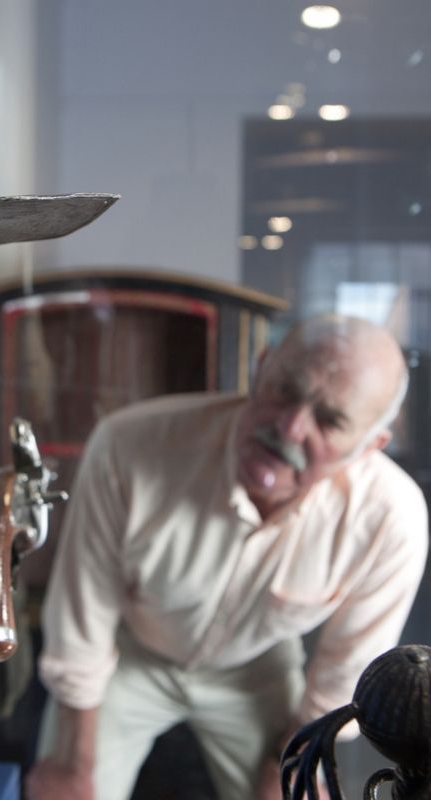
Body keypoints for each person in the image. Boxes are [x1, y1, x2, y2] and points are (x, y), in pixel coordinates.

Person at [25, 314, 429, 800]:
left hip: (255, 667)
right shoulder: (130, 445)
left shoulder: (391, 517)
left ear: (370, 447)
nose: (290, 428)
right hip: (130, 651)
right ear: (259, 369)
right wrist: (73, 765)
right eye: (283, 389)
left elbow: (345, 674)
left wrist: (289, 770)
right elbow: (82, 615)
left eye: (329, 421)